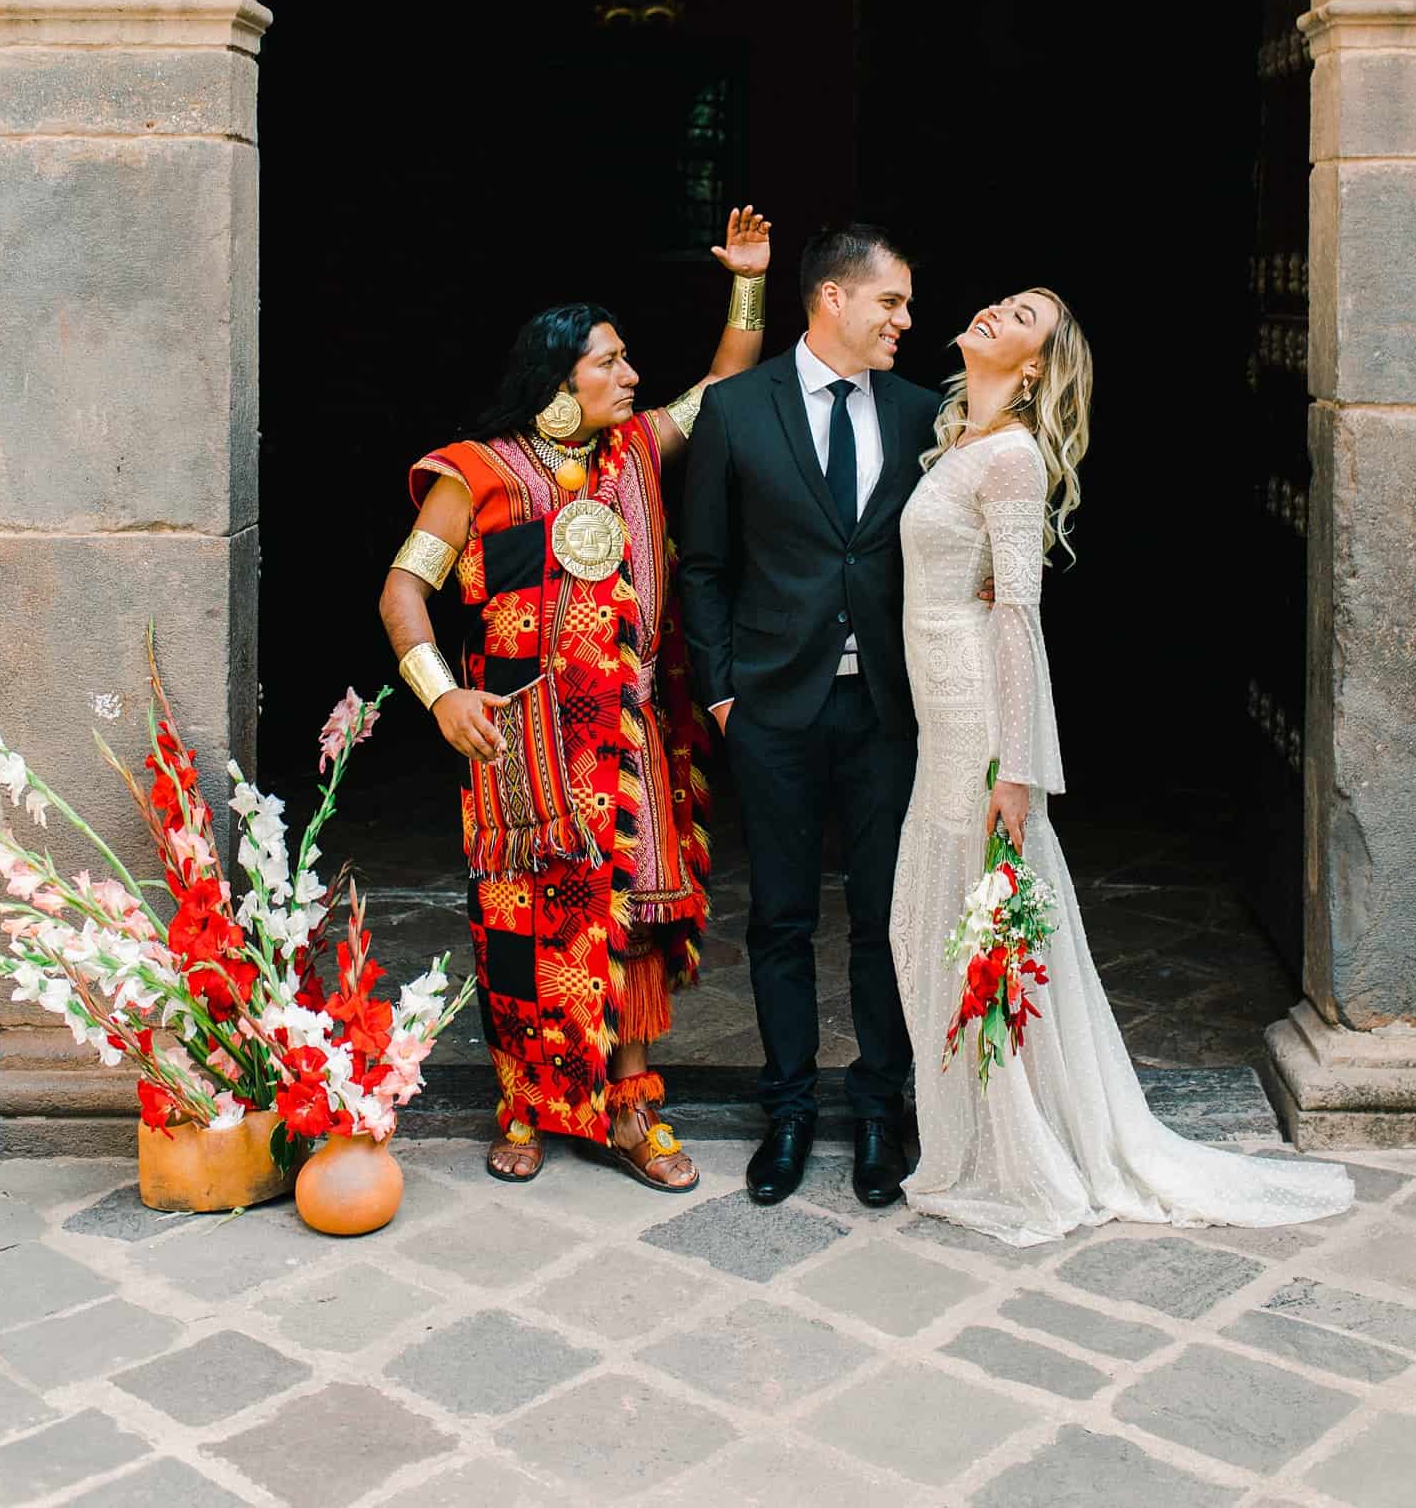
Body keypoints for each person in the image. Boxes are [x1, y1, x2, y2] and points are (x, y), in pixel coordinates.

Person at [892, 286, 1354, 1243]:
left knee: (986, 921)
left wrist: (1016, 765)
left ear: (1032, 371)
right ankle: (976, 1131)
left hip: (979, 718)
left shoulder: (1013, 456)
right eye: (1005, 299)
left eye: (1025, 318)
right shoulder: (962, 443)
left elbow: (1017, 612)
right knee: (938, 916)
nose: (997, 312)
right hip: (943, 713)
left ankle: (1020, 1145)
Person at [379, 207, 772, 1188]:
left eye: (627, 360)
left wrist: (750, 281)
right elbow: (402, 590)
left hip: (628, 750)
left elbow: (723, 385)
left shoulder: (634, 451)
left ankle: (634, 1105)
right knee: (522, 929)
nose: (630, 374)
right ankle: (526, 1101)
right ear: (560, 377)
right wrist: (440, 696)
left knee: (631, 917)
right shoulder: (472, 474)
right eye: (612, 360)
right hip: (522, 756)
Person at [679, 223, 940, 1209]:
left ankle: (879, 1105)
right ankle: (786, 1108)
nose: (906, 321)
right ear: (834, 297)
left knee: (884, 916)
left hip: (887, 706)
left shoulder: (925, 412)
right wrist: (721, 688)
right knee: (781, 916)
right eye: (892, 302)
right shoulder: (736, 410)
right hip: (773, 708)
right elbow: (702, 565)